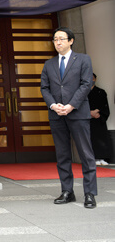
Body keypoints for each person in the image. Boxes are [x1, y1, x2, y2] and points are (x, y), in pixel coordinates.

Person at [40, 27, 97, 209]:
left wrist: (71, 105)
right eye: (55, 39)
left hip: (78, 113)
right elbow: (44, 88)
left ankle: (89, 193)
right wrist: (53, 105)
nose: (58, 42)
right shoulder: (49, 64)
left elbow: (86, 84)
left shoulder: (83, 59)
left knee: (85, 154)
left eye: (62, 39)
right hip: (57, 115)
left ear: (71, 41)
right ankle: (67, 191)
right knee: (62, 155)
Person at [88, 73, 112, 166]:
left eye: (93, 78)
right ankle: (92, 159)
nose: (91, 80)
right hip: (88, 119)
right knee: (90, 140)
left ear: (95, 79)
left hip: (98, 119)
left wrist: (97, 112)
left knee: (102, 138)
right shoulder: (83, 92)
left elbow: (104, 105)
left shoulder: (101, 92)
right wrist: (89, 113)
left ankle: (103, 158)